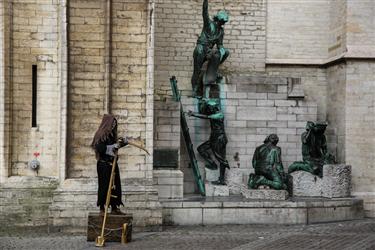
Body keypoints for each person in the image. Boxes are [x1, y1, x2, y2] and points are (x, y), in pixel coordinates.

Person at [191, 0, 230, 97]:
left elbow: (220, 44)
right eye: (221, 21)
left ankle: (212, 72)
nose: (222, 24)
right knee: (197, 70)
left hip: (209, 51)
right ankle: (195, 90)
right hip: (201, 49)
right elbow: (205, 11)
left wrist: (222, 51)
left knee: (225, 52)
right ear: (218, 19)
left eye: (223, 22)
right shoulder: (209, 24)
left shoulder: (221, 31)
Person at [91, 114, 128, 215]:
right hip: (104, 165)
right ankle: (102, 208)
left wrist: (121, 143)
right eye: (112, 123)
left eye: (115, 124)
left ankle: (115, 207)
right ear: (107, 123)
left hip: (113, 164)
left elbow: (115, 147)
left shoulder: (112, 135)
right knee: (104, 186)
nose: (113, 126)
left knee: (115, 186)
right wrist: (113, 146)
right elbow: (99, 147)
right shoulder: (100, 134)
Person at [188, 98, 229, 185]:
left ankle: (221, 180)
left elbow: (206, 117)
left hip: (219, 138)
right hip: (214, 138)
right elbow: (205, 113)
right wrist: (204, 101)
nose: (209, 110)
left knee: (221, 159)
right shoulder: (214, 113)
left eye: (210, 108)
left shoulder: (219, 115)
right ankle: (213, 164)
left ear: (214, 108)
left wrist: (193, 114)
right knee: (201, 149)